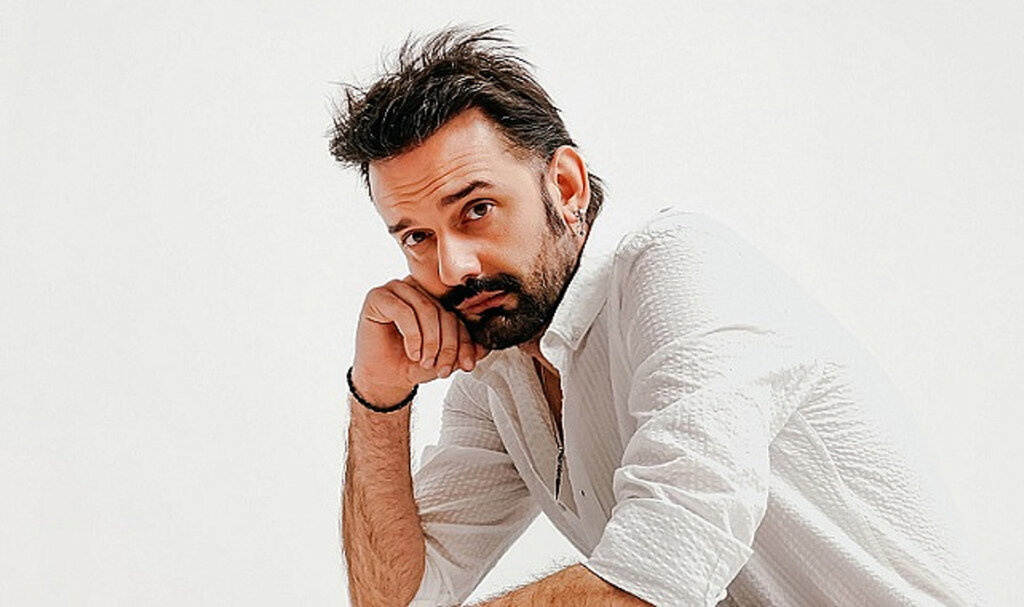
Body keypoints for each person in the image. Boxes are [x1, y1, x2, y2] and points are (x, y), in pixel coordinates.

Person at [330, 26, 982, 606]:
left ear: (566, 187)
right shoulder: (500, 367)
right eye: (416, 236)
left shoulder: (680, 268)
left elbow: (661, 574)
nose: (453, 267)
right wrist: (378, 396)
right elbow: (397, 598)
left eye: (476, 209)